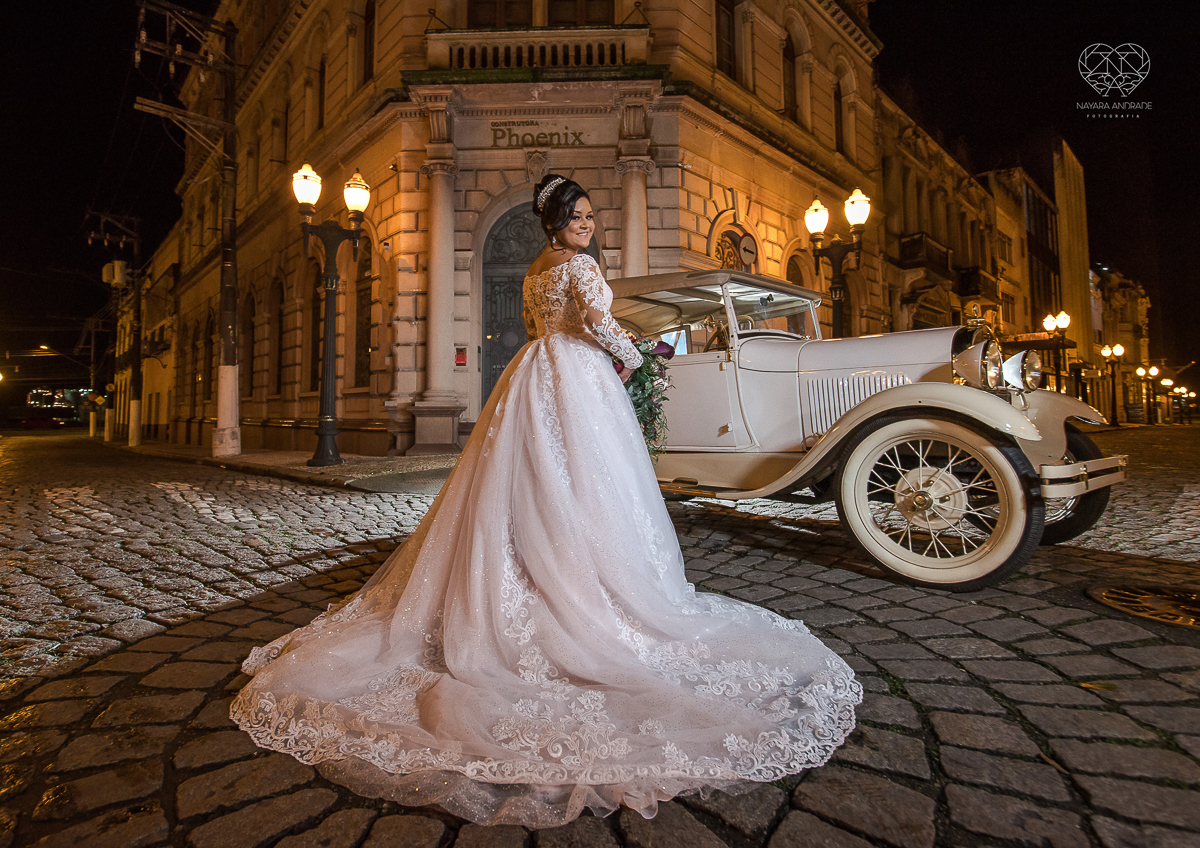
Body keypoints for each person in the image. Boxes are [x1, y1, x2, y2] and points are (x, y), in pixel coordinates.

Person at [230, 174, 861, 828]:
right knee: (581, 486)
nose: (586, 224)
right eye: (576, 216)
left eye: (589, 216)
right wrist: (638, 357)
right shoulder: (580, 267)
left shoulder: (536, 269)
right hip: (579, 376)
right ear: (555, 222)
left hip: (534, 371)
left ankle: (533, 576)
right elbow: (596, 322)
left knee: (528, 486)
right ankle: (581, 591)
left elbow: (551, 322)